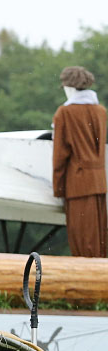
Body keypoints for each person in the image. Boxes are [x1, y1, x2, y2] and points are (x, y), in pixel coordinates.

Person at [52, 66, 107, 258]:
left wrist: (58, 188)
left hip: (77, 185)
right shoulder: (101, 111)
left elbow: (60, 155)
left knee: (82, 242)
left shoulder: (65, 113)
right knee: (100, 241)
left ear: (69, 87)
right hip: (99, 183)